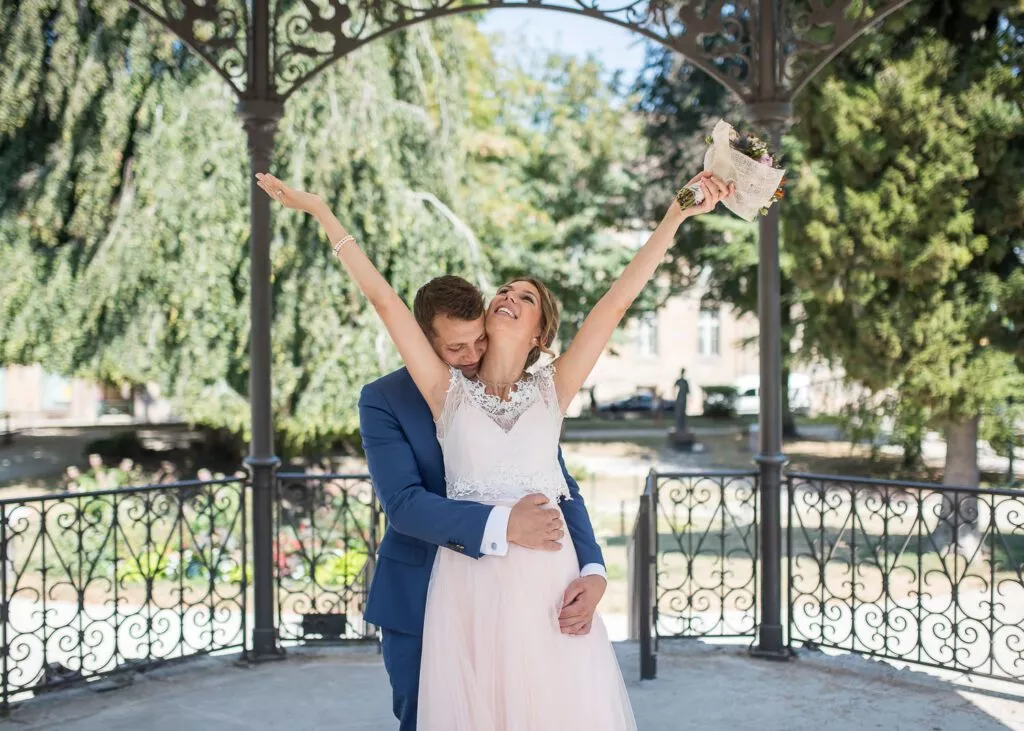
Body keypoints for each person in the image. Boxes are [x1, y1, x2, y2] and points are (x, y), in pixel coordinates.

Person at [255, 168, 732, 730]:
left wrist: (676, 213)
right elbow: (384, 301)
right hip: (467, 581)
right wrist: (322, 213)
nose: (508, 295)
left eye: (525, 297)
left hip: (546, 580)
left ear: (539, 335)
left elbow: (615, 303)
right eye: (505, 289)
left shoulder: (553, 388)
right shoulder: (446, 392)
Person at [356, 274, 606, 730]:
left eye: (479, 340)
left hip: (521, 599)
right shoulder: (385, 399)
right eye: (456, 349)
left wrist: (593, 569)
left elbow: (557, 485)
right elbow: (405, 505)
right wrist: (503, 524)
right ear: (425, 340)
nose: (472, 356)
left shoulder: (523, 395)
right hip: (418, 593)